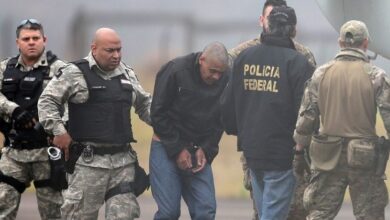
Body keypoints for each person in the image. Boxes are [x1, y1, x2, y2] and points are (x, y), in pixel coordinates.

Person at [38, 27, 152, 219]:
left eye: (119, 50)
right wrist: (58, 131)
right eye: (110, 50)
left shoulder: (127, 74)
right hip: (88, 165)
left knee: (125, 215)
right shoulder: (74, 72)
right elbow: (47, 100)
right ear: (94, 48)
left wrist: (165, 126)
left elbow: (144, 104)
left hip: (123, 164)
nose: (116, 55)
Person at [221, 6, 314, 220]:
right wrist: (303, 146)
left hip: (252, 152)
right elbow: (307, 111)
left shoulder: (244, 58)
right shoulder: (298, 63)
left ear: (267, 26)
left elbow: (227, 105)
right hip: (282, 155)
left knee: (264, 212)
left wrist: (239, 130)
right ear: (294, 31)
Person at [294, 20, 389, 220]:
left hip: (327, 156)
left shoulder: (321, 74)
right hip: (365, 158)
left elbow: (307, 117)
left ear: (340, 43)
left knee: (320, 213)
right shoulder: (376, 76)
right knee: (370, 215)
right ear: (366, 43)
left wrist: (299, 149)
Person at [150, 42, 229, 220]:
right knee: (169, 213)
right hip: (166, 146)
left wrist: (206, 149)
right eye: (213, 70)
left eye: (220, 72)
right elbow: (157, 114)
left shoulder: (226, 78)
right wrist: (178, 149)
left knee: (205, 211)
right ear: (202, 60)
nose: (216, 77)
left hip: (198, 148)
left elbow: (221, 120)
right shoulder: (175, 70)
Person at [0, 19, 66, 219]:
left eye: (36, 38)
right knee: (2, 207)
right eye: (26, 38)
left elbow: (74, 102)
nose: (31, 42)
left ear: (44, 40)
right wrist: (14, 110)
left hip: (47, 154)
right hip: (13, 153)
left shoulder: (61, 70)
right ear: (18, 42)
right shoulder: (5, 68)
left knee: (53, 213)